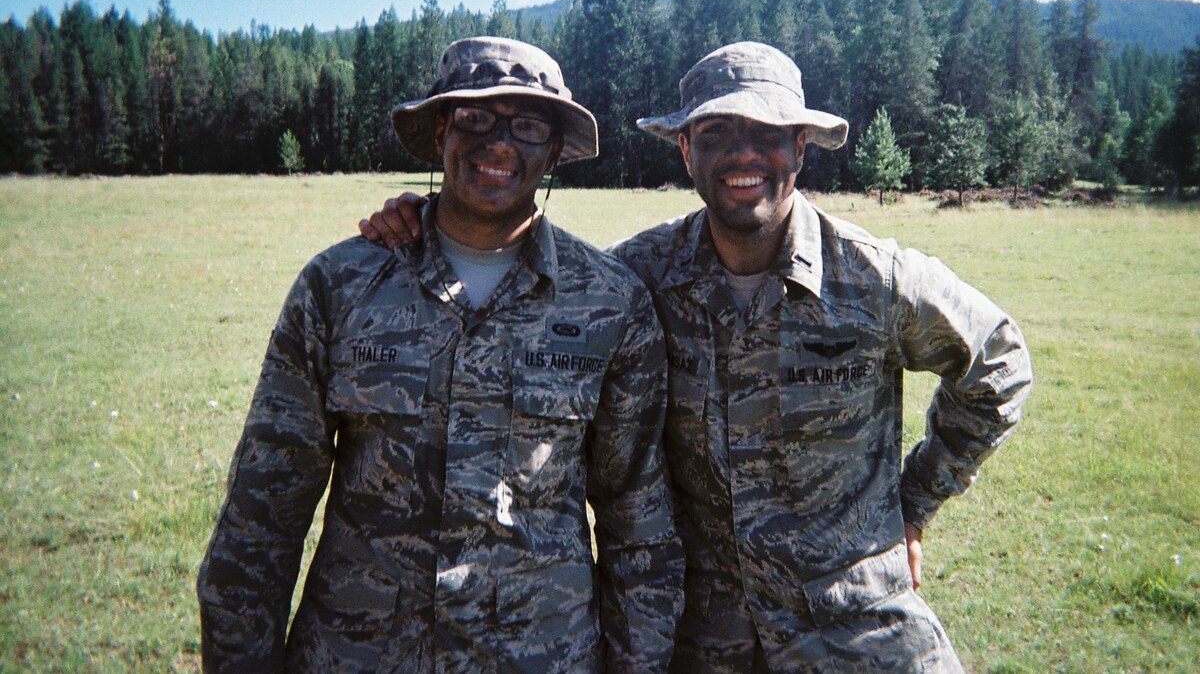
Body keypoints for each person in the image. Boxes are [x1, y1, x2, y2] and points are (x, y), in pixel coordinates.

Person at [360, 41, 1033, 673]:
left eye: (767, 134)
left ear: (800, 148)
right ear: (685, 149)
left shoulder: (871, 278)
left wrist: (915, 503)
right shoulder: (638, 278)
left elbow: (998, 360)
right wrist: (432, 222)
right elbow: (524, 277)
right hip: (704, 642)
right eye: (716, 133)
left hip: (858, 632)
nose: (743, 154)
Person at [198, 37, 683, 673]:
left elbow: (639, 530)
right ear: (438, 133)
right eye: (475, 119)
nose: (500, 144)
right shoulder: (340, 286)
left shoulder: (611, 305)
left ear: (556, 150)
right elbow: (262, 517)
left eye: (529, 126)